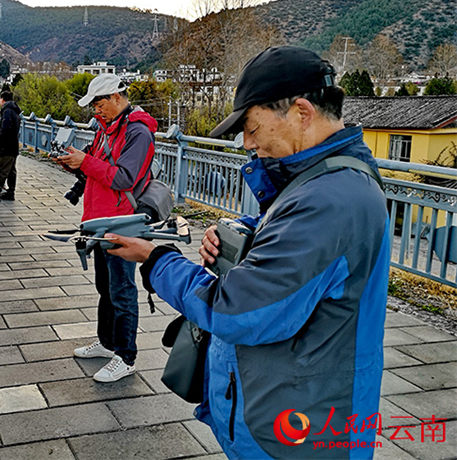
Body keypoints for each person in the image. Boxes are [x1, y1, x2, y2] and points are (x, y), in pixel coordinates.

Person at [106, 47, 390, 459]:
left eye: (253, 127)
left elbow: (236, 310)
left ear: (301, 113)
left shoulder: (332, 198)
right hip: (281, 413)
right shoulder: (322, 179)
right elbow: (295, 240)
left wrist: (155, 260)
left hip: (299, 435)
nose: (247, 142)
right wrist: (242, 234)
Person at [54, 73, 158, 383]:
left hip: (122, 221)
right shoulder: (105, 129)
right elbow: (97, 167)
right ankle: (107, 342)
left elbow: (124, 178)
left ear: (116, 97)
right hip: (98, 219)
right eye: (93, 108)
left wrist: (84, 161)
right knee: (105, 287)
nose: (96, 112)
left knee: (122, 290)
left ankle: (126, 357)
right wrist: (75, 162)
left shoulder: (138, 133)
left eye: (99, 105)